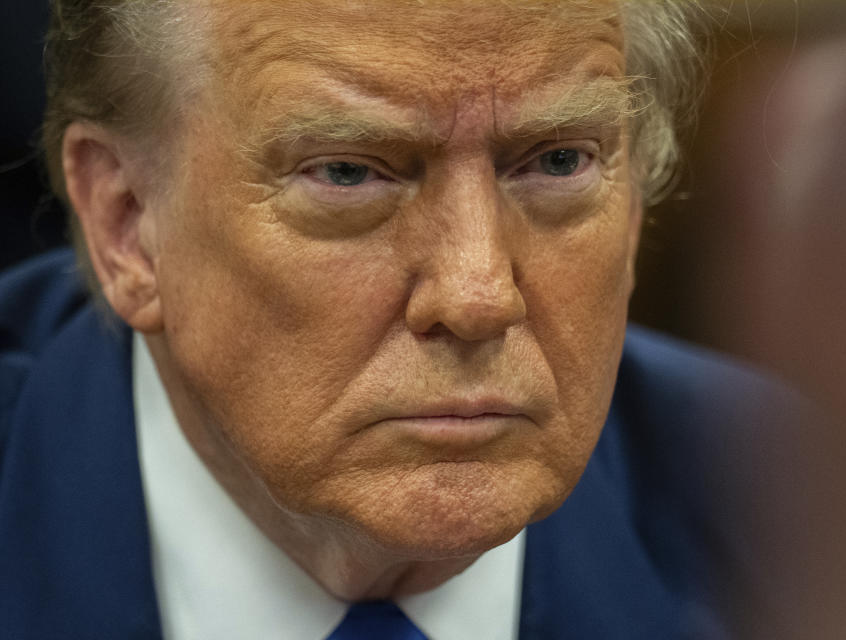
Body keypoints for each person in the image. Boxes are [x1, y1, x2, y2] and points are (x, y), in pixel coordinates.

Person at [0, 1, 792, 638]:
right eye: (348, 174)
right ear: (128, 224)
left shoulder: (806, 524)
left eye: (558, 161)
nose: (479, 296)